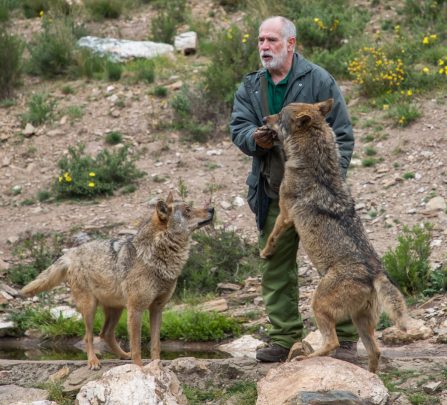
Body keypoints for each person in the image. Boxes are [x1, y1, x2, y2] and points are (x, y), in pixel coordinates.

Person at [230, 16, 358, 362]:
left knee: (337, 264)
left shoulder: (318, 79)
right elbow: (238, 128)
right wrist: (253, 139)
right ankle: (284, 337)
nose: (264, 47)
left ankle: (344, 340)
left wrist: (329, 179)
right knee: (275, 266)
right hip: (276, 191)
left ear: (291, 44)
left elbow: (343, 135)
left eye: (272, 40)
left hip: (320, 197)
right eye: (260, 40)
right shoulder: (252, 86)